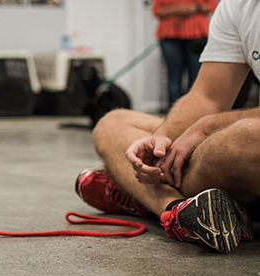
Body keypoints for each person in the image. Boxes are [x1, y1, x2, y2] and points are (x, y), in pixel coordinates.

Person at [75, 0, 260, 254]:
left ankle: (137, 195)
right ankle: (177, 210)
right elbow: (208, 97)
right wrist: (159, 143)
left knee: (242, 140)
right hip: (172, 37)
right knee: (112, 123)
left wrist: (205, 129)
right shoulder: (238, 6)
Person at [152, 0, 217, 111]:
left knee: (196, 77)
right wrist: (178, 9)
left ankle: (194, 110)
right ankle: (173, 111)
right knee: (174, 77)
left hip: (197, 35)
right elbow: (157, 10)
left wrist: (195, 7)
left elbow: (212, 7)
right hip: (170, 36)